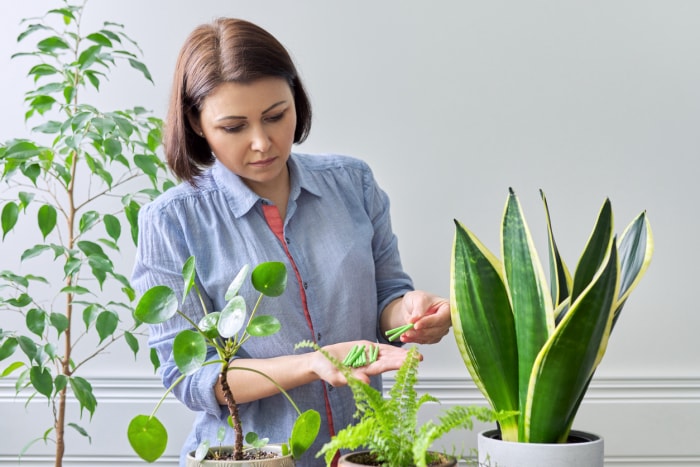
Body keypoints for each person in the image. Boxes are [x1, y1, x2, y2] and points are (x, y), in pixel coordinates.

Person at [131, 17, 452, 467]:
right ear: (197, 123)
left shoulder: (352, 183)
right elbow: (192, 378)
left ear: (296, 100)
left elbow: (387, 298)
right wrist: (314, 363)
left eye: (276, 116)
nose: (262, 142)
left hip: (370, 455)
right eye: (234, 127)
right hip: (252, 458)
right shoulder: (171, 221)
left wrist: (412, 312)